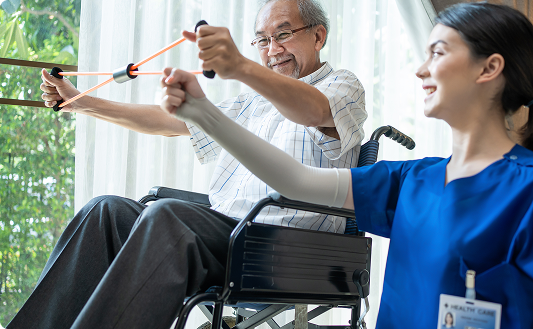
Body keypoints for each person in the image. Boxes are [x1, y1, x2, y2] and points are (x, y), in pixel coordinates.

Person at [159, 0, 533, 328]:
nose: (421, 70)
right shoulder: (412, 180)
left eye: (438, 53)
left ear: (489, 69)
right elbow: (296, 180)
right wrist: (203, 115)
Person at [7, 0, 366, 328]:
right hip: (227, 232)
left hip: (287, 249)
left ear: (318, 36)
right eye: (262, 41)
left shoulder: (342, 86)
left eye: (283, 34)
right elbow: (172, 122)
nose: (272, 51)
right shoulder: (251, 103)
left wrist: (240, 67)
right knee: (105, 213)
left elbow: (313, 110)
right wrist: (83, 103)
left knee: (168, 217)